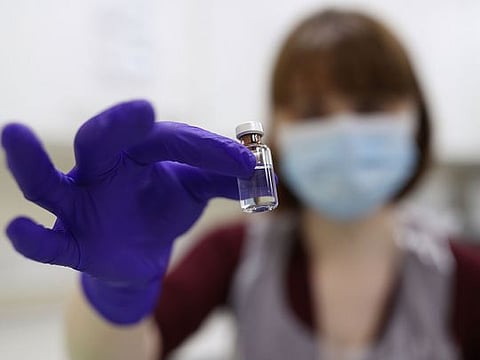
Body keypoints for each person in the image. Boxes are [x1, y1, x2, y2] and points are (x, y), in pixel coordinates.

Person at [2, 8, 480, 360]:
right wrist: (114, 295)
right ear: (278, 131)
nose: (345, 132)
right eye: (313, 112)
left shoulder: (466, 275)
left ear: (416, 119)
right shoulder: (234, 253)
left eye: (371, 108)